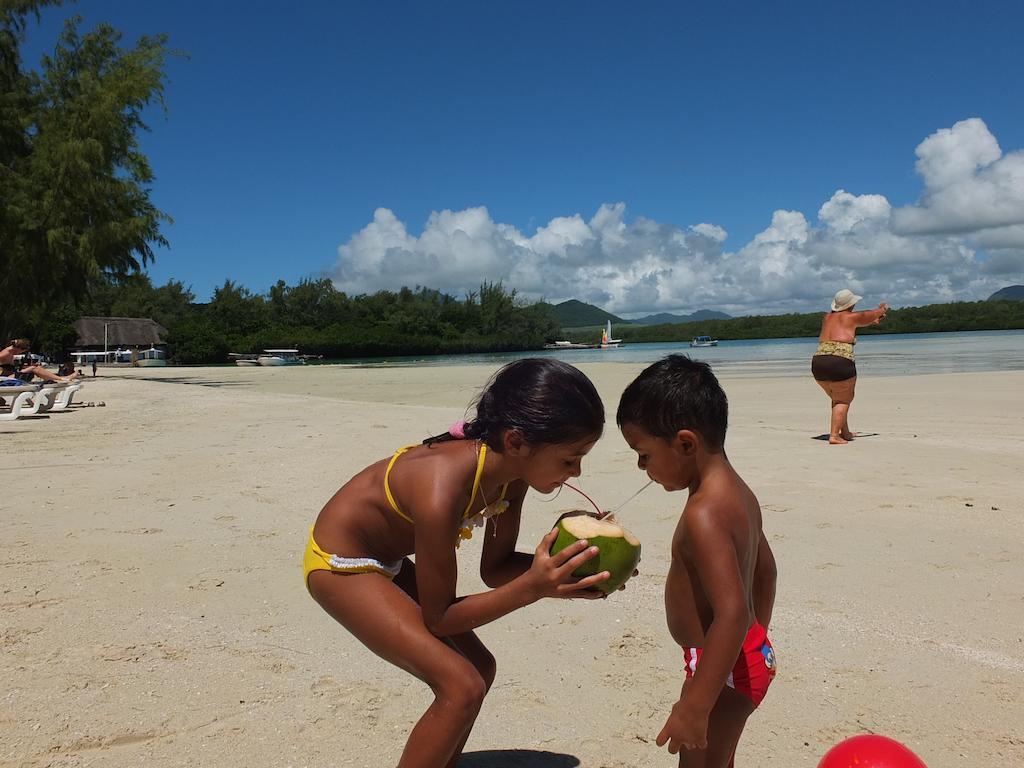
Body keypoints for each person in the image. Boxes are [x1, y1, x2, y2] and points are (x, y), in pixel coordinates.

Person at [305, 358, 611, 768]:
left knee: (479, 668)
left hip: (388, 558)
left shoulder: (511, 476)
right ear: (518, 441)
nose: (576, 472)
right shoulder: (441, 489)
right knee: (460, 685)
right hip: (341, 563)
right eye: (570, 459)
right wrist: (534, 588)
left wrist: (574, 570)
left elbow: (496, 567)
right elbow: (440, 618)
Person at [617, 355, 777, 767]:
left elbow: (731, 612)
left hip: (722, 669)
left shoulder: (704, 514)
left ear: (685, 444)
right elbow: (766, 569)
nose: (641, 467)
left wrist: (696, 706)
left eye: (643, 454)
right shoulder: (739, 493)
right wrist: (758, 640)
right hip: (740, 657)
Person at [811, 289, 888, 444]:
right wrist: (881, 310)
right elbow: (866, 315)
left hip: (818, 361)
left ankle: (844, 432)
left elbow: (850, 323)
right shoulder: (852, 317)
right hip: (840, 361)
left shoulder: (827, 318)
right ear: (851, 304)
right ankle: (834, 436)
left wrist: (872, 320)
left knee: (837, 398)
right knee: (843, 399)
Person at [0, 339, 80, 384]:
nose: (21, 353)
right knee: (35, 368)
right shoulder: (5, 354)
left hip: (9, 376)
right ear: (18, 348)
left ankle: (59, 379)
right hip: (6, 378)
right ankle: (62, 379)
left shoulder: (9, 353)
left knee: (36, 368)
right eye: (22, 351)